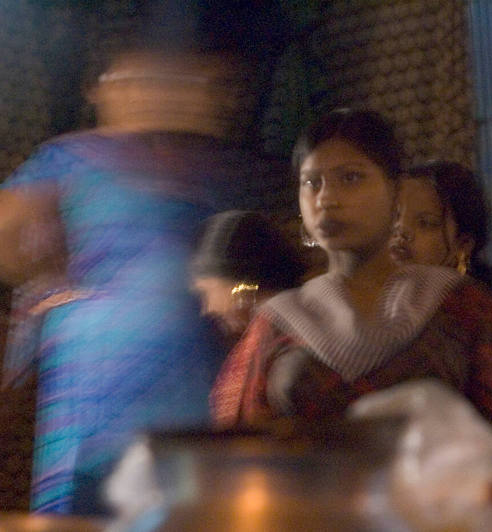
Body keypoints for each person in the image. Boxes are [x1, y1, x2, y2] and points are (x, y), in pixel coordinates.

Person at [0, 48, 287, 515]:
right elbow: (8, 231)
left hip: (193, 381)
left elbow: (255, 264)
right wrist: (53, 279)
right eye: (136, 80)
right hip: (98, 385)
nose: (156, 93)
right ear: (103, 91)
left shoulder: (214, 168)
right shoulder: (73, 158)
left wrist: (241, 301)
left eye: (171, 81)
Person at [210, 109, 492, 453]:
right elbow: (236, 453)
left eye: (351, 178)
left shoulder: (457, 304)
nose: (326, 198)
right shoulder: (278, 321)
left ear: (395, 193)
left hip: (436, 505)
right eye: (312, 182)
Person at [390, 161, 492, 360]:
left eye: (425, 223)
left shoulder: (487, 334)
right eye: (394, 216)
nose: (401, 232)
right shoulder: (361, 318)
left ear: (462, 245)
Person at [190, 210, 305, 341]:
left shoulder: (290, 349)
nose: (207, 309)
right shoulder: (279, 340)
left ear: (242, 285)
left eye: (206, 292)